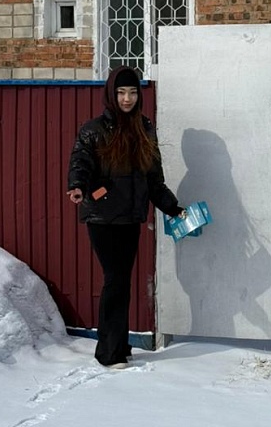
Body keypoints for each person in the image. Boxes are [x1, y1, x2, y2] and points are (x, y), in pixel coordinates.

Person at [66, 66, 183, 369]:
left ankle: (118, 342)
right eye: (121, 92)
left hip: (131, 218)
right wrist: (78, 187)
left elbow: (154, 180)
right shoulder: (94, 129)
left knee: (121, 282)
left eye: (132, 92)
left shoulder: (144, 129)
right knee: (115, 281)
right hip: (102, 216)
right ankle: (109, 353)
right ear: (111, 94)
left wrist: (174, 208)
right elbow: (80, 161)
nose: (127, 98)